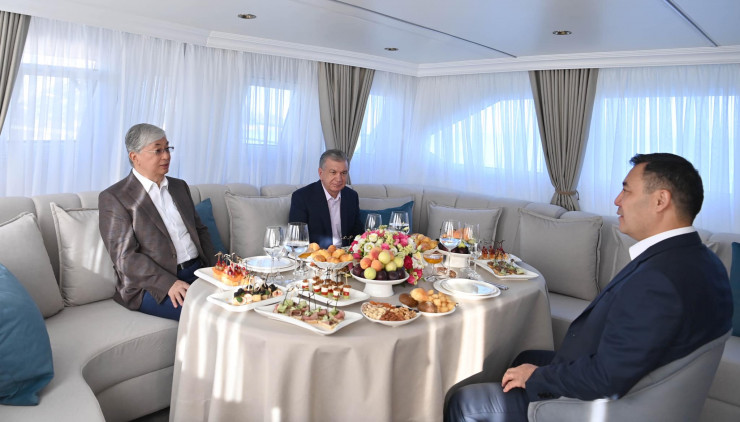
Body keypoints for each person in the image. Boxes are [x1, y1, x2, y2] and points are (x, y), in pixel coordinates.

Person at [445, 153, 733, 421]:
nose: (617, 200)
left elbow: (606, 378)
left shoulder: (659, 280)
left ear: (660, 200)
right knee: (525, 357)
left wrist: (537, 377)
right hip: (643, 387)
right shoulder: (705, 262)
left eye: (627, 190)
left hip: (612, 405)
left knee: (464, 401)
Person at [99, 123, 215, 321]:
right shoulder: (115, 198)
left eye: (168, 148)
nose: (166, 156)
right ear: (134, 157)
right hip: (152, 286)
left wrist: (218, 269)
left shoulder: (179, 187)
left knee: (245, 300)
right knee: (209, 315)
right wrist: (168, 283)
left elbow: (200, 230)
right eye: (158, 150)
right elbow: (125, 257)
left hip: (198, 272)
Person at [289, 149, 363, 248]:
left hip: (346, 254)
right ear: (321, 173)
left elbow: (359, 235)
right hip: (316, 255)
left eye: (343, 173)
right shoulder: (301, 197)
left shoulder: (352, 196)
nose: (339, 179)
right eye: (333, 172)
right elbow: (297, 240)